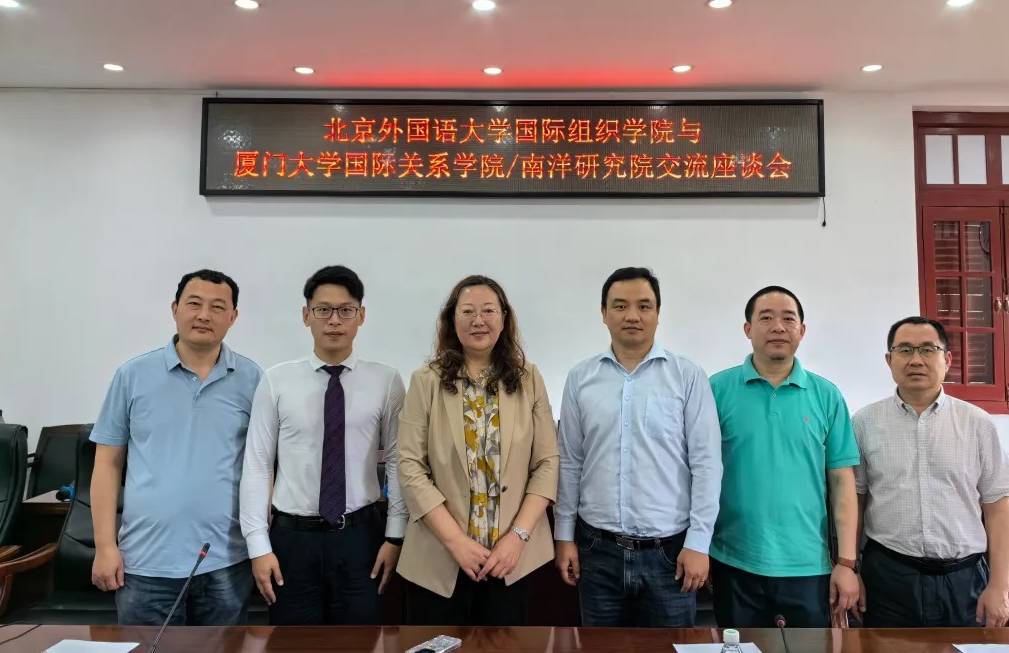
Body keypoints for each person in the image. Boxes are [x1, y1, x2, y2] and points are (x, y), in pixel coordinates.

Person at [89, 269, 262, 626]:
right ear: (175, 309)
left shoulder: (253, 379)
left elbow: (263, 466)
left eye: (217, 307)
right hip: (146, 564)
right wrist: (105, 547)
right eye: (194, 304)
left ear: (233, 317)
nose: (204, 315)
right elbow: (107, 464)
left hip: (226, 562)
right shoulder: (132, 375)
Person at [554, 267, 722, 628]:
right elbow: (570, 461)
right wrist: (563, 536)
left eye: (644, 306)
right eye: (620, 306)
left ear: (658, 313)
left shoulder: (687, 376)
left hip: (670, 555)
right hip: (597, 552)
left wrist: (698, 542)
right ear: (604, 313)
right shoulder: (580, 378)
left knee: (671, 650)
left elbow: (707, 465)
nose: (632, 315)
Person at [239, 265, 406, 624]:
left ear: (361, 316)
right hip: (292, 540)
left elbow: (397, 461)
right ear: (306, 316)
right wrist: (257, 546)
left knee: (360, 642)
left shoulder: (387, 380)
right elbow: (257, 463)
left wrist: (395, 537)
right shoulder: (277, 380)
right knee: (293, 644)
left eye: (345, 310)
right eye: (323, 310)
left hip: (360, 538)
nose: (334, 320)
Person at [397, 274, 559, 625]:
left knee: (506, 647)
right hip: (440, 557)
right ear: (452, 319)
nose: (478, 320)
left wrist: (518, 537)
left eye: (488, 311)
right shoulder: (425, 380)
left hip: (512, 559)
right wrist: (455, 541)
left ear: (504, 318)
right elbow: (409, 466)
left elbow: (547, 464)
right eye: (467, 311)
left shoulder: (529, 379)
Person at [851, 316, 1009, 628]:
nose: (916, 360)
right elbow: (856, 503)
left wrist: (999, 586)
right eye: (905, 350)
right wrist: (851, 570)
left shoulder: (977, 423)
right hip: (888, 578)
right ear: (889, 360)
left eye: (928, 349)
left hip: (964, 581)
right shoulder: (864, 423)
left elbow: (998, 507)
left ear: (947, 360)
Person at [708, 285, 860, 629]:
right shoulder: (716, 390)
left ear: (802, 331)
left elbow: (842, 483)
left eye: (788, 319)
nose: (778, 327)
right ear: (748, 329)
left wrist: (846, 563)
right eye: (766, 318)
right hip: (733, 561)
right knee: (738, 650)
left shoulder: (826, 396)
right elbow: (698, 474)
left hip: (808, 566)